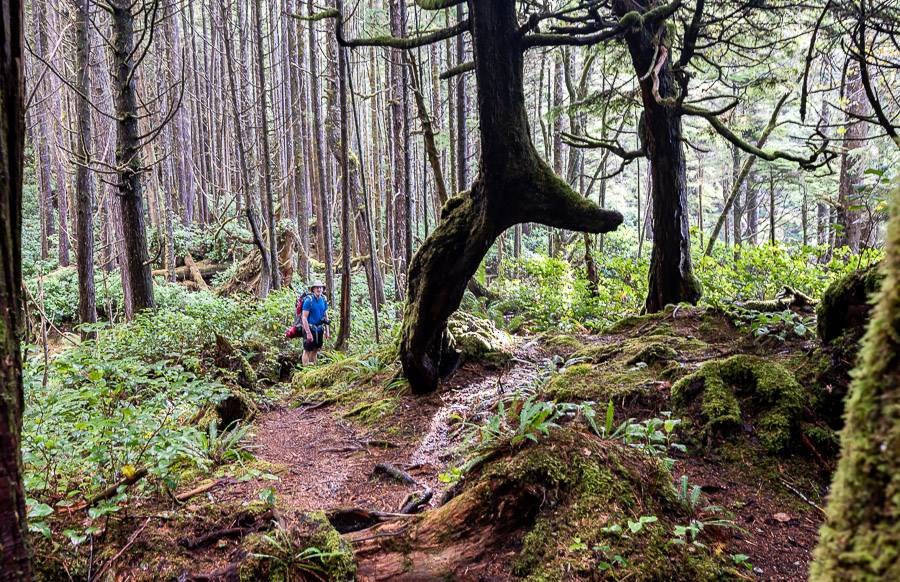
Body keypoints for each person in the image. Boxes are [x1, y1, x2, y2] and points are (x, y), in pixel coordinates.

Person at [301, 281, 329, 364]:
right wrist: (308, 333)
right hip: (310, 328)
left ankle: (313, 367)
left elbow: (326, 316)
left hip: (319, 328)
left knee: (316, 348)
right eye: (317, 287)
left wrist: (327, 331)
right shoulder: (309, 300)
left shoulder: (323, 299)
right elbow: (304, 317)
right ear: (313, 289)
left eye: (320, 287)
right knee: (307, 350)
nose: (319, 289)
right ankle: (305, 371)